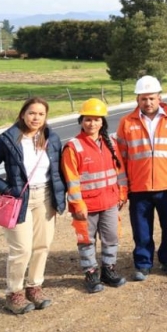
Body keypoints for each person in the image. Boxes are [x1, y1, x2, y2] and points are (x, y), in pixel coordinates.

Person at [0, 98, 66, 315]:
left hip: (45, 196)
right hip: (18, 199)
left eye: (41, 114)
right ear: (23, 114)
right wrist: (7, 189)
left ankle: (34, 287)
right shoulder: (7, 139)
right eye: (32, 113)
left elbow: (57, 171)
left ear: (46, 117)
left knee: (42, 245)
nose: (36, 118)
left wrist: (60, 197)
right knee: (21, 249)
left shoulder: (51, 138)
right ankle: (13, 292)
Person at [116, 75, 167, 281]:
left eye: (152, 98)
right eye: (143, 98)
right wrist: (124, 187)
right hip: (139, 187)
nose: (148, 103)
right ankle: (143, 263)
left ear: (159, 97)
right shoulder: (127, 122)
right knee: (142, 230)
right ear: (138, 99)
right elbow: (121, 157)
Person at [61, 99, 128, 293]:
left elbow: (120, 172)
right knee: (86, 240)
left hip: (109, 202)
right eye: (88, 119)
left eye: (96, 120)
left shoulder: (111, 144)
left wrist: (122, 193)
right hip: (86, 205)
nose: (92, 124)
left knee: (111, 237)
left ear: (102, 122)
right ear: (81, 121)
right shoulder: (73, 147)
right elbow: (71, 180)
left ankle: (109, 269)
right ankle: (91, 273)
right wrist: (77, 204)